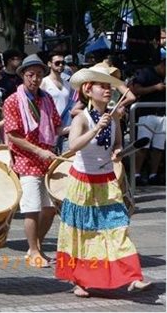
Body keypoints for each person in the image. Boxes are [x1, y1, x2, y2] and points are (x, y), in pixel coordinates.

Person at [55, 65, 153, 297]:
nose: (108, 90)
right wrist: (96, 128)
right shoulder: (82, 118)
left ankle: (133, 276)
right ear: (89, 90)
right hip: (83, 181)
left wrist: (118, 151)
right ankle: (79, 280)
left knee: (118, 227)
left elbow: (117, 144)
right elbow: (74, 145)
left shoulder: (114, 116)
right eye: (103, 86)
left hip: (106, 179)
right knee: (82, 232)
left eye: (109, 86)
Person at [3, 54, 66, 268]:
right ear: (22, 75)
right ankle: (33, 250)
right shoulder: (13, 101)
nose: (35, 79)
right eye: (31, 75)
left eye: (39, 75)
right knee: (32, 208)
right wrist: (39, 151)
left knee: (49, 208)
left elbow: (57, 127)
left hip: (46, 159)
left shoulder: (46, 98)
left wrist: (81, 127)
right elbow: (13, 135)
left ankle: (36, 245)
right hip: (26, 160)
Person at [130, 48, 166, 186]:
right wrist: (155, 88)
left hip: (162, 114)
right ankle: (136, 174)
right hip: (146, 114)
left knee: (158, 147)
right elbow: (135, 90)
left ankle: (153, 174)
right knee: (143, 146)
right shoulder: (146, 73)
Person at [41, 52, 74, 153]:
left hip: (65, 126)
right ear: (49, 64)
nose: (61, 65)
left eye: (63, 63)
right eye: (57, 63)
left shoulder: (69, 84)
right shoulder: (44, 82)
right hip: (49, 126)